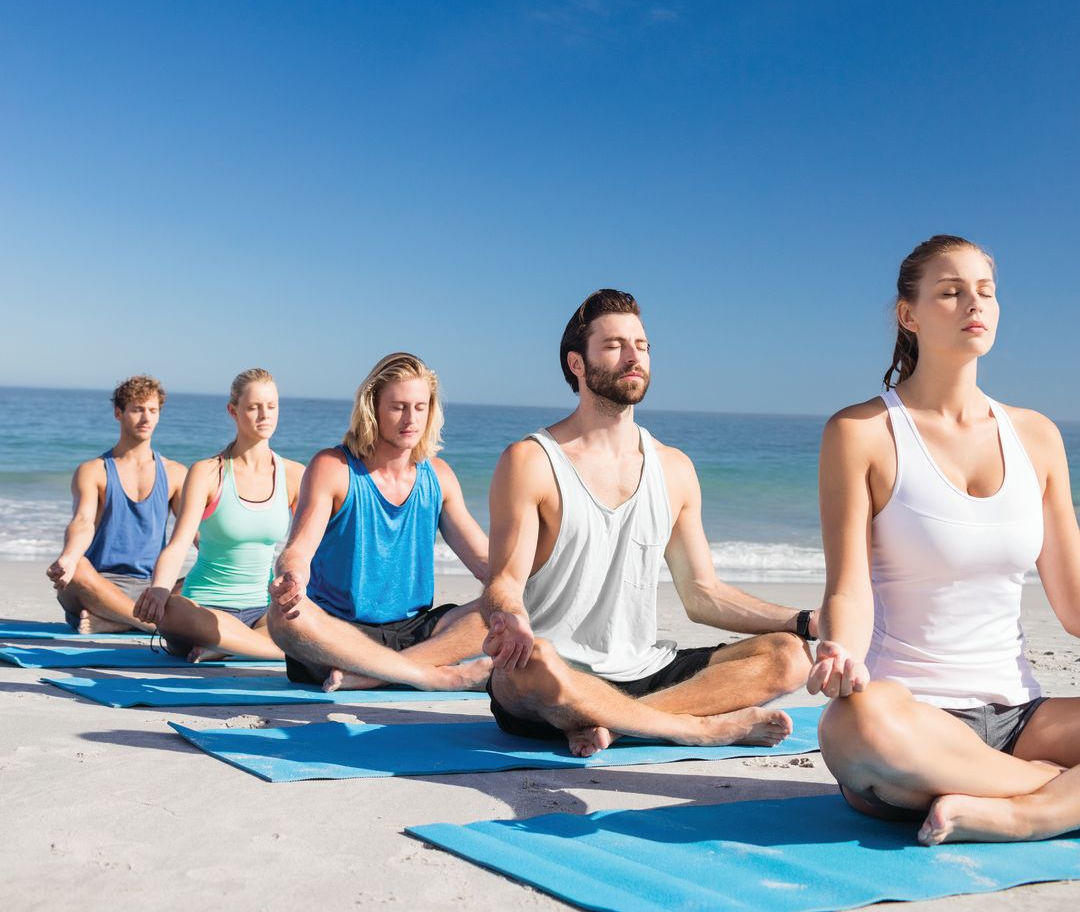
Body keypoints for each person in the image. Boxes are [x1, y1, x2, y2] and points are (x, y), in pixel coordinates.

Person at [810, 234, 1080, 845]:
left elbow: (1074, 602)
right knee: (855, 725)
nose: (973, 306)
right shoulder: (860, 432)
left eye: (984, 292)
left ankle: (1025, 812)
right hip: (910, 720)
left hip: (1022, 714)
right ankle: (1053, 792)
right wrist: (840, 652)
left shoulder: (1037, 436)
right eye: (951, 293)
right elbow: (848, 588)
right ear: (909, 315)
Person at [481, 289, 814, 757]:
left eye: (642, 345)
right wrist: (510, 619)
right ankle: (692, 728)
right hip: (554, 675)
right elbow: (504, 582)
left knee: (789, 655)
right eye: (615, 345)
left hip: (644, 672)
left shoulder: (674, 468)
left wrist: (804, 620)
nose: (634, 356)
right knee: (532, 662)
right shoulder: (531, 461)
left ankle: (621, 725)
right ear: (577, 364)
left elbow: (703, 596)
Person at [267, 352, 491, 692]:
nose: (410, 419)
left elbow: (486, 562)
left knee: (502, 606)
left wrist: (528, 587)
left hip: (415, 632)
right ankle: (428, 674)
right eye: (398, 406)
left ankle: (373, 675)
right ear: (372, 407)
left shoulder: (440, 476)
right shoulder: (334, 467)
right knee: (282, 620)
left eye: (420, 407)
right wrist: (292, 578)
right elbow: (298, 550)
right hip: (340, 634)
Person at [132, 369, 303, 660]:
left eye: (271, 406)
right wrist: (160, 591)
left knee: (314, 618)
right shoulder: (208, 473)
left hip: (263, 611)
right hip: (203, 609)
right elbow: (178, 545)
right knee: (171, 609)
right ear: (233, 411)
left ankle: (227, 647)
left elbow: (306, 550)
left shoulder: (294, 475)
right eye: (253, 407)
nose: (265, 415)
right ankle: (272, 650)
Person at [46, 376, 187, 634]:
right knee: (77, 568)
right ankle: (151, 625)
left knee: (204, 580)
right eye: (137, 409)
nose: (146, 418)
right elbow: (83, 521)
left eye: (152, 410)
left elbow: (196, 533)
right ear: (118, 413)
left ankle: (115, 623)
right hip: (98, 586)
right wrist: (68, 557)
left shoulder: (176, 473)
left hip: (153, 589)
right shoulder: (93, 471)